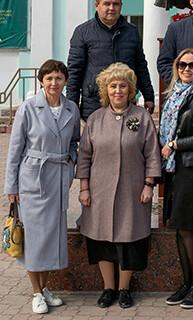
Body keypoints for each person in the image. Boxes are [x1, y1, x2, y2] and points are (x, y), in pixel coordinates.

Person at [77, 63, 162, 309]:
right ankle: (108, 288)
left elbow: (152, 154)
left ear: (130, 89)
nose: (118, 91)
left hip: (132, 189)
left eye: (122, 86)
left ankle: (124, 289)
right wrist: (84, 188)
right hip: (99, 191)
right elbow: (84, 155)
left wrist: (149, 185)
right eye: (113, 86)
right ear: (106, 90)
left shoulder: (141, 117)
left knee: (129, 239)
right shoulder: (95, 118)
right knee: (101, 240)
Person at [4, 59, 80, 314]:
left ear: (65, 81)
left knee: (51, 237)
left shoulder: (71, 108)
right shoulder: (28, 108)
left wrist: (71, 159)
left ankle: (45, 287)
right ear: (41, 81)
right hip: (32, 179)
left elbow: (75, 142)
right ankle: (36, 292)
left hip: (58, 178)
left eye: (58, 78)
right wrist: (11, 186)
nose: (54, 83)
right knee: (35, 238)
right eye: (49, 78)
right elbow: (15, 150)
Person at [159, 48, 193, 309]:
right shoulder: (171, 95)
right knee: (178, 228)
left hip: (192, 168)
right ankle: (186, 283)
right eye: (182, 65)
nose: (187, 69)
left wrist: (175, 144)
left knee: (187, 228)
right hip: (173, 169)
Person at [67, 0, 155, 121]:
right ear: (97, 5)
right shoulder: (82, 32)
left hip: (126, 101)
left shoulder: (131, 31)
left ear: (121, 5)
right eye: (107, 4)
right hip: (94, 103)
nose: (111, 8)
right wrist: (71, 105)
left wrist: (148, 96)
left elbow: (140, 65)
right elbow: (74, 71)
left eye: (116, 4)